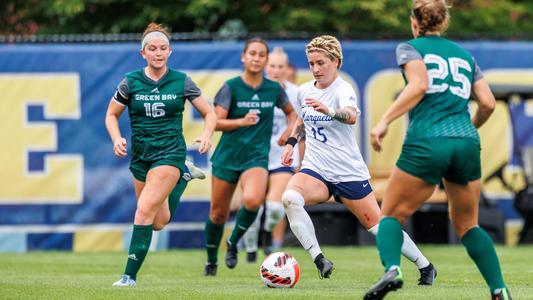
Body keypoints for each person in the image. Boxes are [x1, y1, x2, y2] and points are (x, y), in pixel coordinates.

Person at [364, 1, 511, 299]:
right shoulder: (465, 56)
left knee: (390, 215)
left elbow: (419, 84)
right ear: (445, 22)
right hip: (466, 140)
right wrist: (467, 129)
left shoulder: (410, 47)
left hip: (428, 138)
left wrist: (383, 121)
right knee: (468, 225)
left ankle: (393, 268)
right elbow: (488, 103)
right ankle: (500, 291)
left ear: (414, 22)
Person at [280, 35, 435, 283]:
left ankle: (425, 266)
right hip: (316, 170)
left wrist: (329, 111)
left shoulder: (343, 89)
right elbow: (301, 119)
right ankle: (319, 258)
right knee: (289, 198)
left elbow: (350, 116)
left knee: (377, 226)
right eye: (311, 64)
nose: (316, 69)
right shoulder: (304, 90)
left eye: (321, 63)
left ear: (336, 61)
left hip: (347, 172)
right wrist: (290, 142)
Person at [105, 22, 216, 286]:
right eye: (152, 48)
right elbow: (111, 114)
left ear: (170, 51)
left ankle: (128, 277)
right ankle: (186, 176)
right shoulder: (131, 81)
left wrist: (207, 134)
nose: (158, 53)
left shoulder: (181, 80)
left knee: (143, 211)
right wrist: (116, 137)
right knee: (157, 222)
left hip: (169, 154)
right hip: (141, 156)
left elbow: (209, 112)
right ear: (142, 53)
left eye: (163, 48)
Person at [203, 38, 297, 276]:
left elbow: (292, 114)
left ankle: (233, 242)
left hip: (256, 157)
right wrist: (241, 122)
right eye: (252, 53)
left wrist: (288, 132)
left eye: (261, 55)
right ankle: (212, 260)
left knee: (254, 201)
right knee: (218, 214)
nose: (256, 58)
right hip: (227, 157)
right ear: (243, 57)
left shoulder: (274, 89)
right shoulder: (231, 87)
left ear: (266, 60)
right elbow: (215, 122)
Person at [242, 47, 301, 262]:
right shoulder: (250, 90)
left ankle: (270, 241)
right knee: (253, 208)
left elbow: (301, 127)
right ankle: (250, 249)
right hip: (254, 157)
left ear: (288, 69)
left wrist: (299, 159)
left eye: (281, 66)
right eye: (273, 66)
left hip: (282, 159)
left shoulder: (297, 93)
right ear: (266, 67)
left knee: (276, 207)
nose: (276, 70)